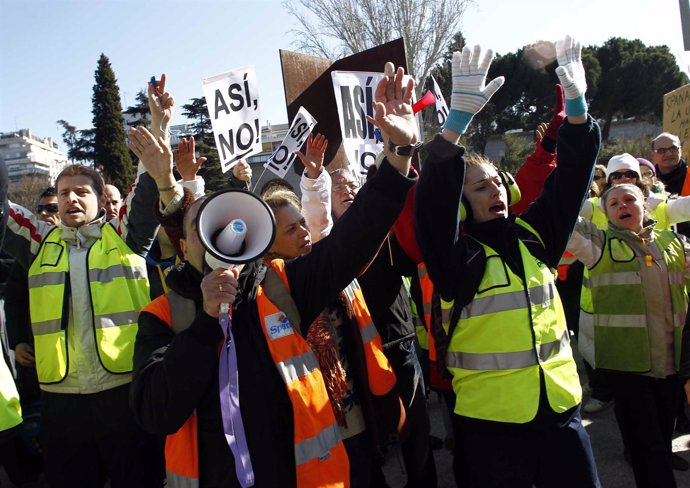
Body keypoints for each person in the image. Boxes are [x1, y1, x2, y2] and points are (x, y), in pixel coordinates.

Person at [130, 65, 416, 487]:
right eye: (204, 230)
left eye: (232, 225)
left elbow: (352, 240)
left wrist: (398, 153)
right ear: (185, 247)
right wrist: (206, 322)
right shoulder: (163, 316)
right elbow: (156, 411)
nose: (222, 238)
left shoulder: (281, 285)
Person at [414, 38, 601, 487]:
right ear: (461, 204)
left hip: (561, 413)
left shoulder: (536, 236)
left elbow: (572, 179)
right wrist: (454, 126)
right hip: (491, 426)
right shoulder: (456, 257)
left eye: (498, 181)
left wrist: (577, 110)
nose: (496, 189)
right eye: (480, 187)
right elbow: (431, 211)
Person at [1, 116, 175, 486]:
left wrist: (159, 127)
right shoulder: (39, 241)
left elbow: (145, 191)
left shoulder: (124, 236)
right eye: (64, 193)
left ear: (100, 200)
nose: (71, 199)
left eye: (82, 191)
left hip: (123, 393)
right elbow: (4, 213)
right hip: (60, 401)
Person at [568, 183, 690, 488]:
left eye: (629, 200)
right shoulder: (599, 244)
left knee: (660, 440)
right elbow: (562, 216)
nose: (622, 206)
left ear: (645, 206)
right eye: (614, 203)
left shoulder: (674, 242)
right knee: (648, 448)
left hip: (671, 365)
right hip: (627, 368)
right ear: (604, 212)